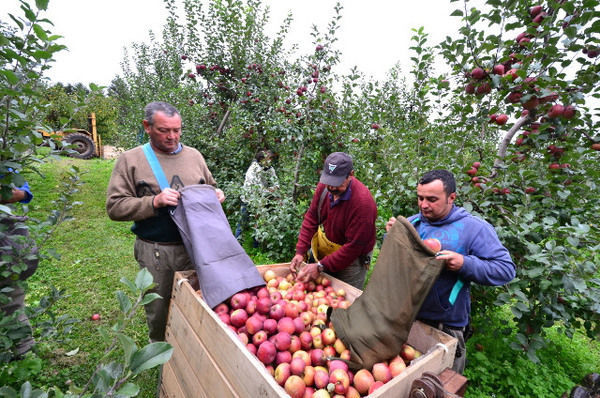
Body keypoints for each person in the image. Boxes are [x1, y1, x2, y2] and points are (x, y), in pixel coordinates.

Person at [106, 101, 225, 342]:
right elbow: (115, 207)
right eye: (164, 130)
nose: (172, 136)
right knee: (159, 310)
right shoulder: (131, 160)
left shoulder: (194, 156)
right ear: (147, 126)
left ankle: (191, 349)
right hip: (157, 252)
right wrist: (154, 202)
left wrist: (216, 194)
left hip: (196, 247)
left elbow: (209, 186)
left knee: (199, 302)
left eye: (177, 130)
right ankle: (161, 357)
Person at [385, 169, 515, 374]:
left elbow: (505, 269)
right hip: (407, 317)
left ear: (451, 198)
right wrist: (394, 237)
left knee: (442, 383)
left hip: (444, 326)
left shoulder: (473, 229)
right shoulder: (413, 223)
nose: (423, 205)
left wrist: (464, 263)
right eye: (420, 198)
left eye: (432, 199)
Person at [290, 152, 377, 289]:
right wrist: (300, 251)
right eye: (329, 181)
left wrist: (320, 266)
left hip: (353, 257)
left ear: (351, 175)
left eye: (337, 182)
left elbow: (353, 247)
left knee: (347, 300)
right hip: (330, 246)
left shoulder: (363, 205)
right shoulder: (324, 188)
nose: (331, 187)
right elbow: (312, 217)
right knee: (321, 294)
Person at [0, 180, 35, 358]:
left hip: (4, 235)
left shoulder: (6, 159)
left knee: (10, 297)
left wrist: (6, 194)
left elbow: (24, 194)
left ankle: (23, 353)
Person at [235, 149, 279, 245]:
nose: (270, 161)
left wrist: (273, 188)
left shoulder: (270, 169)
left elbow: (276, 183)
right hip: (248, 199)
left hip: (261, 199)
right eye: (268, 158)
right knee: (243, 221)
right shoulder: (253, 169)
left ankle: (256, 245)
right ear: (261, 159)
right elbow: (257, 188)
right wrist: (269, 190)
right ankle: (237, 243)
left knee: (259, 222)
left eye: (271, 159)